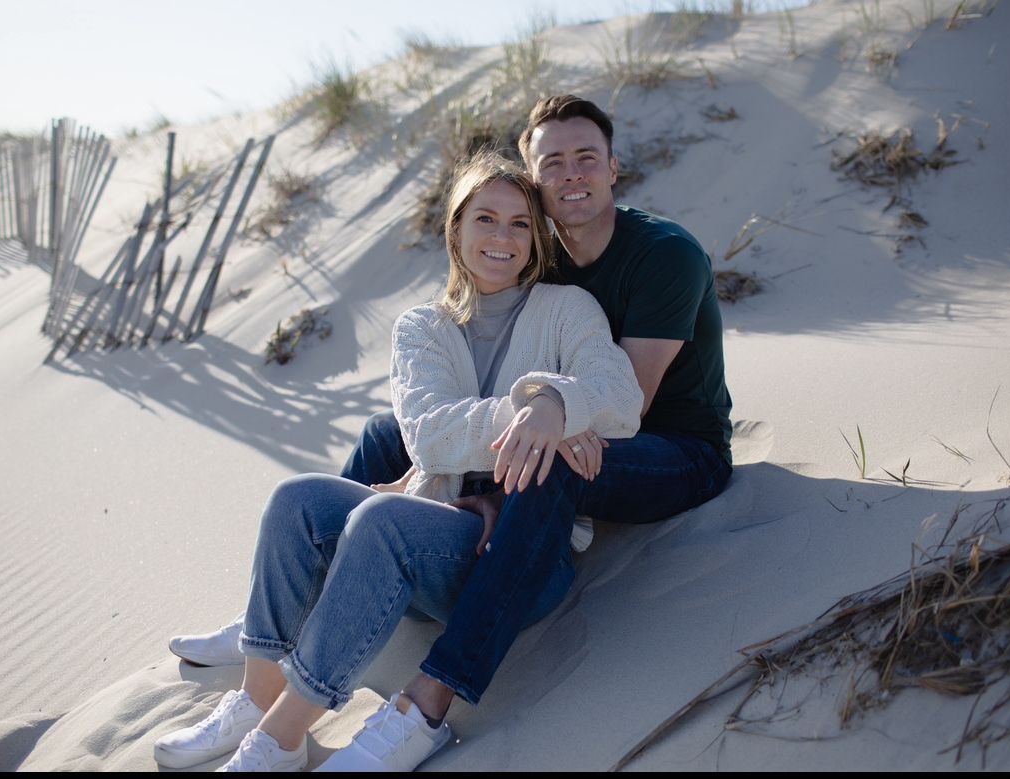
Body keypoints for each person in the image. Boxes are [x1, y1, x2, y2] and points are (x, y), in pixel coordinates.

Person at [153, 151, 643, 771]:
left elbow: (622, 398)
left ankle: (278, 741)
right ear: (456, 229)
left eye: (520, 223)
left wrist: (558, 406)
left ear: (536, 238)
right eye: (485, 218)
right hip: (437, 535)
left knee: (382, 519)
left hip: (522, 563)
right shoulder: (422, 326)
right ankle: (258, 696)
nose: (503, 237)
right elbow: (429, 438)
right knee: (297, 499)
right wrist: (542, 416)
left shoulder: (569, 310)